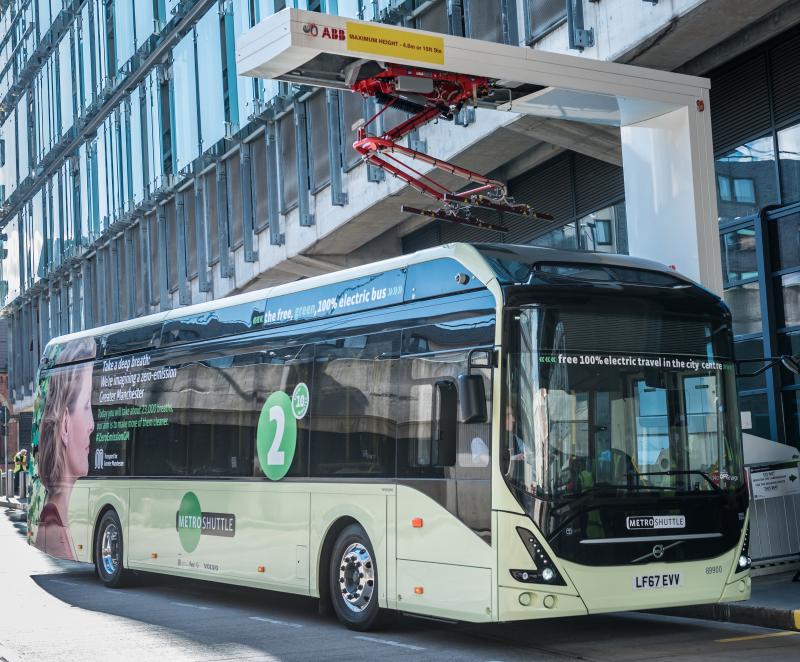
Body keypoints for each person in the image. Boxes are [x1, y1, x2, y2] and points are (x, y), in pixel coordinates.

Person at [34, 337, 96, 561]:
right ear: (65, 426)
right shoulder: (54, 524)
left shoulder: (56, 518)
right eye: (87, 406)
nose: (92, 425)